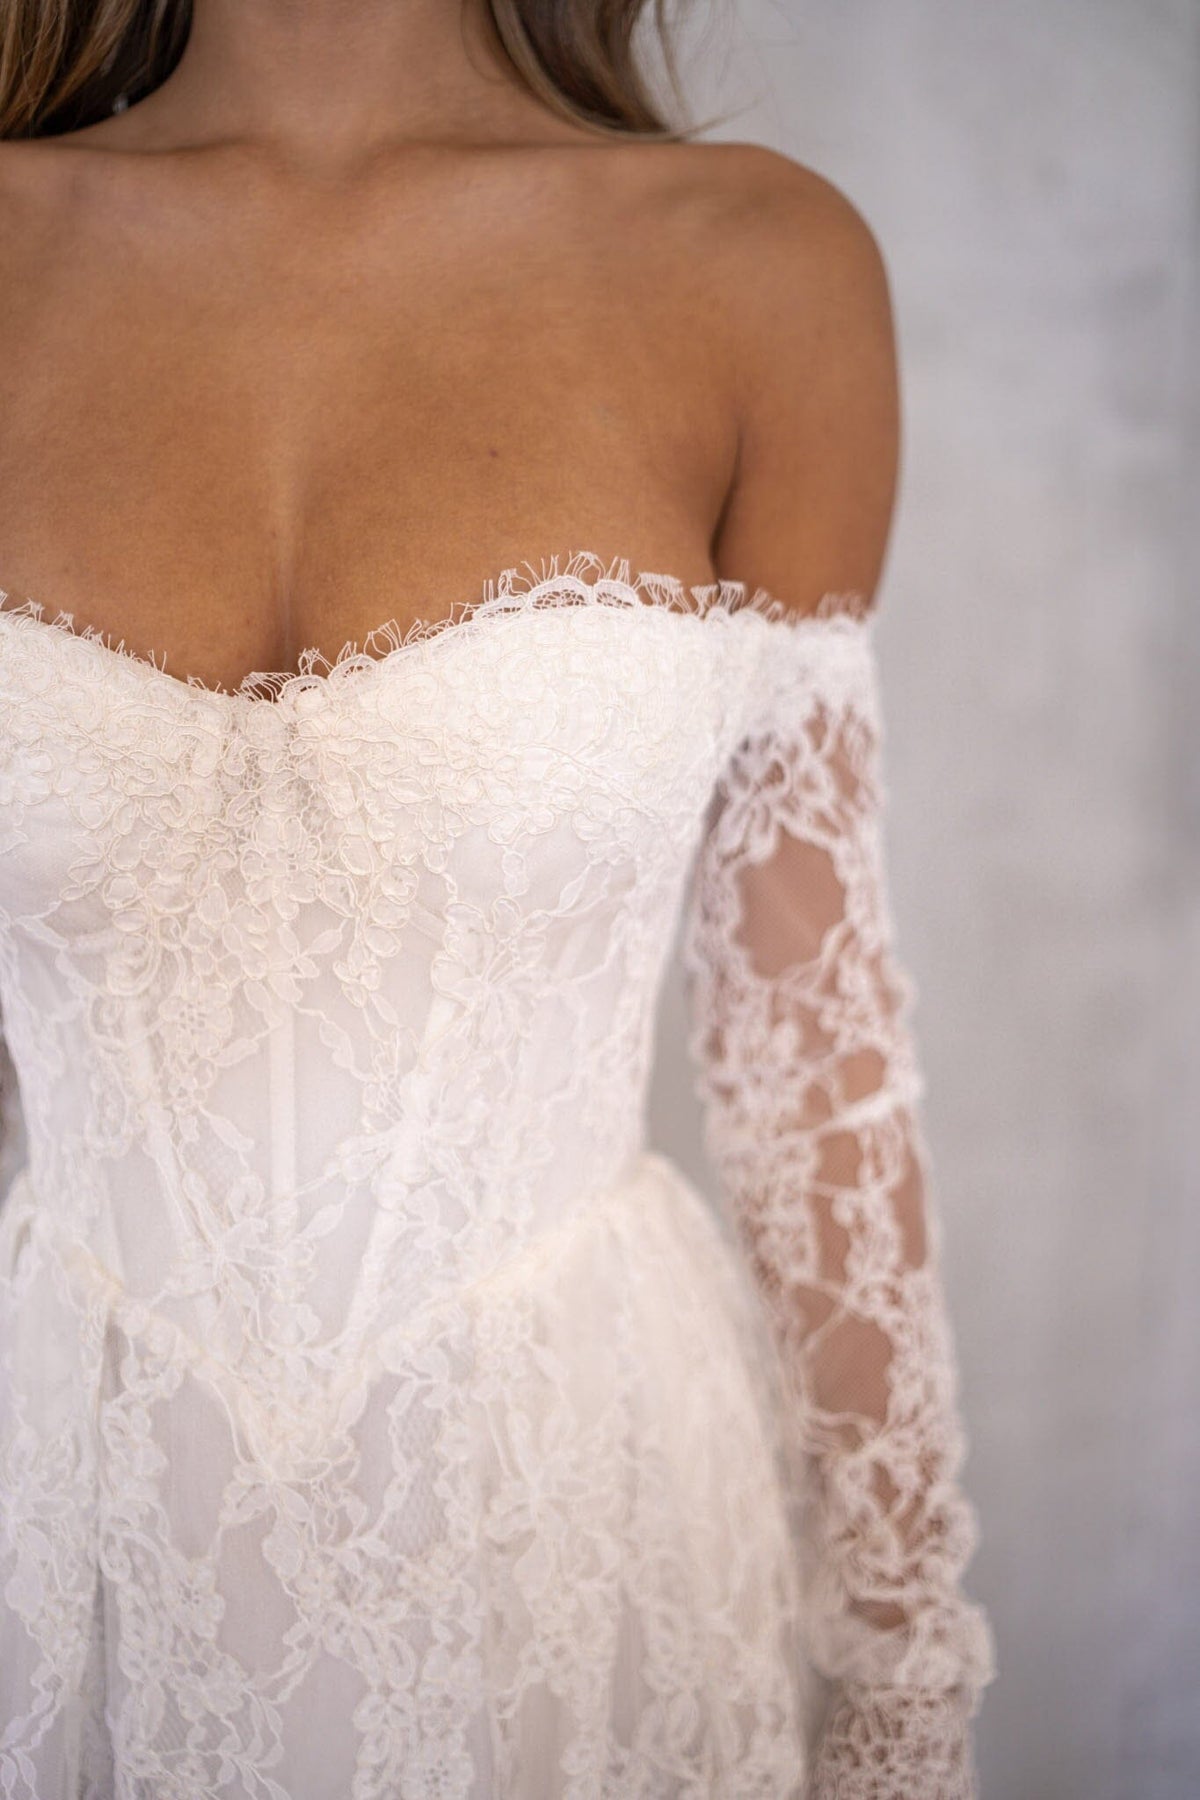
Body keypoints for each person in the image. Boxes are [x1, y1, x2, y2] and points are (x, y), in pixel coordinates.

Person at [0, 2, 997, 1794]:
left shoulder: (756, 269)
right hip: (60, 1522)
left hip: (572, 1530)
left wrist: (904, 1673)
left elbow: (812, 1052)